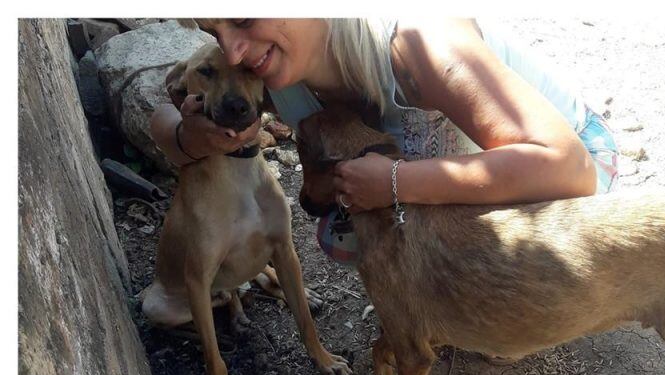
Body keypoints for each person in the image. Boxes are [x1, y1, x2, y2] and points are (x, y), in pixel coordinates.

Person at [150, 18, 618, 264]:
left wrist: (395, 182)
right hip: (489, 171)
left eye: (245, 18)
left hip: (574, 170)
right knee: (345, 235)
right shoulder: (264, 64)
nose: (232, 50)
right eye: (216, 31)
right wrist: (188, 136)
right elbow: (163, 117)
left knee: (417, 240)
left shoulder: (421, 40)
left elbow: (569, 169)